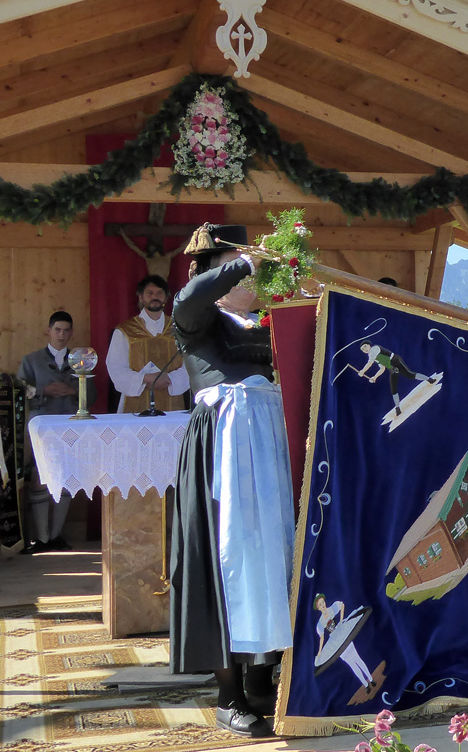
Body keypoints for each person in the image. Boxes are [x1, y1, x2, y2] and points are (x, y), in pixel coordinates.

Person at [169, 224, 296, 740]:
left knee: (272, 555)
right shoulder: (195, 316)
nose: (254, 278)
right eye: (239, 267)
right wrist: (245, 262)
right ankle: (229, 694)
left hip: (266, 443)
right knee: (228, 557)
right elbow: (192, 296)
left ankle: (263, 675)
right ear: (216, 269)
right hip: (222, 447)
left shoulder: (263, 322)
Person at [17, 310, 97, 553]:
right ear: (48, 331)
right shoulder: (31, 361)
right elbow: (20, 394)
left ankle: (56, 536)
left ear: (71, 333)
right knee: (39, 477)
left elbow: (91, 396)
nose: (62, 335)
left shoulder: (81, 360)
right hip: (42, 425)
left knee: (66, 476)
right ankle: (40, 539)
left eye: (66, 330)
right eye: (57, 330)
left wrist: (73, 391)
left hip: (72, 425)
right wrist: (44, 391)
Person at [105, 275, 190, 413]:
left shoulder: (179, 330)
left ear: (166, 297)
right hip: (134, 405)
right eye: (149, 293)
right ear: (140, 297)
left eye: (159, 293)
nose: (154, 297)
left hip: (172, 403)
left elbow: (190, 364)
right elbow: (115, 367)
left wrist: (169, 379)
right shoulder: (125, 331)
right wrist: (145, 379)